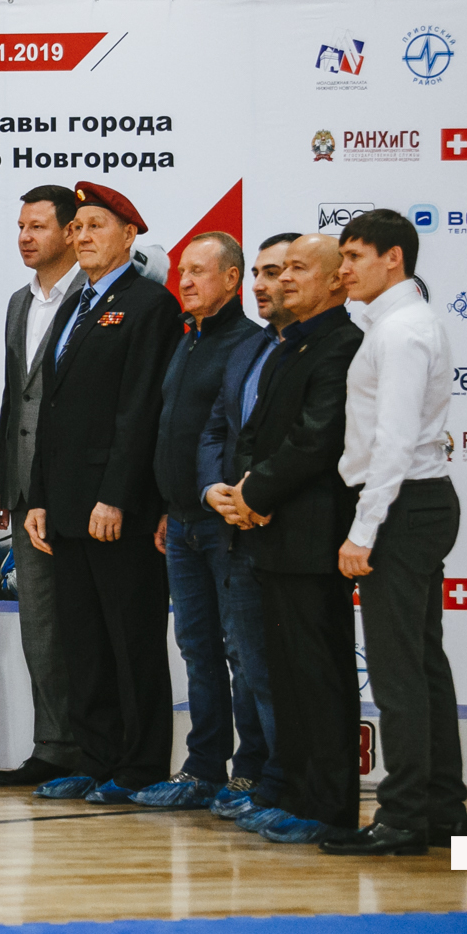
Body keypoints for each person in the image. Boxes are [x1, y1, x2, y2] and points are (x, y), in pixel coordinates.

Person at [24, 181, 178, 803]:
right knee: (83, 643)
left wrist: (115, 495)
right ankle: (94, 758)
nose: (82, 236)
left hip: (116, 509)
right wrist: (38, 496)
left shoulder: (149, 304)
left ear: (129, 235)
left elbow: (140, 411)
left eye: (96, 226)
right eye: (78, 227)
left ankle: (141, 766)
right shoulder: (76, 305)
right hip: (64, 508)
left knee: (130, 641)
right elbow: (50, 410)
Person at [322, 209, 467, 856]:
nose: (343, 270)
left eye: (354, 256)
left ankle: (405, 817)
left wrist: (363, 530)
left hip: (402, 505)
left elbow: (395, 442)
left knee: (399, 670)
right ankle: (440, 813)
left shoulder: (403, 330)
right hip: (415, 503)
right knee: (422, 664)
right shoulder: (395, 324)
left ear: (393, 259)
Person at [212, 233, 363, 844]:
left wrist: (254, 495)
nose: (284, 279)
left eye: (300, 268)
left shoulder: (343, 345)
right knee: (287, 679)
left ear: (335, 281)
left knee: (319, 677)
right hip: (270, 534)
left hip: (313, 536)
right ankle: (296, 793)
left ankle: (328, 807)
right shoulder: (289, 344)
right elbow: (253, 436)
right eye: (282, 269)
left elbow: (316, 438)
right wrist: (242, 496)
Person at [131, 232, 261, 809]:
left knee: (241, 652)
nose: (184, 281)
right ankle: (204, 767)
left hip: (227, 523)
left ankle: (251, 770)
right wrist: (167, 506)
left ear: (232, 279)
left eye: (199, 271)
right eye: (181, 270)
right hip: (181, 522)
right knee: (197, 649)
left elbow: (240, 436)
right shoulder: (187, 339)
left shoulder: (250, 344)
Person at [194, 233, 300, 823]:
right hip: (233, 521)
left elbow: (310, 441)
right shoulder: (250, 348)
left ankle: (285, 783)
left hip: (287, 525)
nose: (264, 284)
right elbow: (217, 428)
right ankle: (258, 774)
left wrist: (256, 495)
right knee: (248, 658)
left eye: (276, 272)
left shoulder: (325, 348)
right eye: (259, 272)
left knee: (279, 665)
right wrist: (214, 489)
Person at [0, 185, 88, 786]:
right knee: (40, 626)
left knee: (84, 625)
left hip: (78, 492)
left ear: (71, 232)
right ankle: (52, 746)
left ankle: (96, 749)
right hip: (25, 489)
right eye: (21, 226)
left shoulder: (96, 296)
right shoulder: (17, 303)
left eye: (38, 226)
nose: (25, 237)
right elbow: (14, 397)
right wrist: (4, 480)